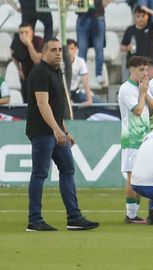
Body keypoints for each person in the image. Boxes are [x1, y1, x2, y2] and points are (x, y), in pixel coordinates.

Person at [25, 38, 99, 231]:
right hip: (42, 132)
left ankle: (74, 218)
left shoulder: (55, 71)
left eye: (60, 50)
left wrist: (64, 130)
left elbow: (56, 107)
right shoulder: (40, 72)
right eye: (53, 50)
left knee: (68, 170)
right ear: (44, 53)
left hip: (56, 131)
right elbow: (42, 104)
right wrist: (56, 129)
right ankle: (34, 220)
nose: (58, 53)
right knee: (40, 174)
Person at [118, 56, 153, 224]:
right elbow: (138, 109)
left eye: (146, 69)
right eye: (141, 69)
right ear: (131, 70)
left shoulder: (142, 86)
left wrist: (145, 91)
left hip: (144, 138)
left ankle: (135, 215)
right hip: (132, 139)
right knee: (132, 177)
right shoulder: (126, 89)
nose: (145, 72)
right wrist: (142, 93)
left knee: (141, 177)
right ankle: (130, 215)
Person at [76, 0, 112, 85]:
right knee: (82, 49)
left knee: (99, 48)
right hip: (83, 15)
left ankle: (98, 74)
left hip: (97, 15)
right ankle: (81, 74)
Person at [10, 22, 43, 103]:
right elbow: (12, 54)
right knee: (26, 100)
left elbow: (36, 60)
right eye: (21, 33)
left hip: (38, 75)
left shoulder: (39, 41)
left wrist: (29, 44)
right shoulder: (17, 41)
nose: (24, 35)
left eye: (26, 32)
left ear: (32, 32)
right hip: (25, 74)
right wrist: (19, 69)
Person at [66, 39, 105, 106]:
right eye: (67, 49)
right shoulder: (59, 62)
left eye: (71, 48)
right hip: (63, 94)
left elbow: (85, 82)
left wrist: (89, 100)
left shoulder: (80, 61)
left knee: (101, 103)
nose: (69, 51)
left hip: (76, 92)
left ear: (76, 49)